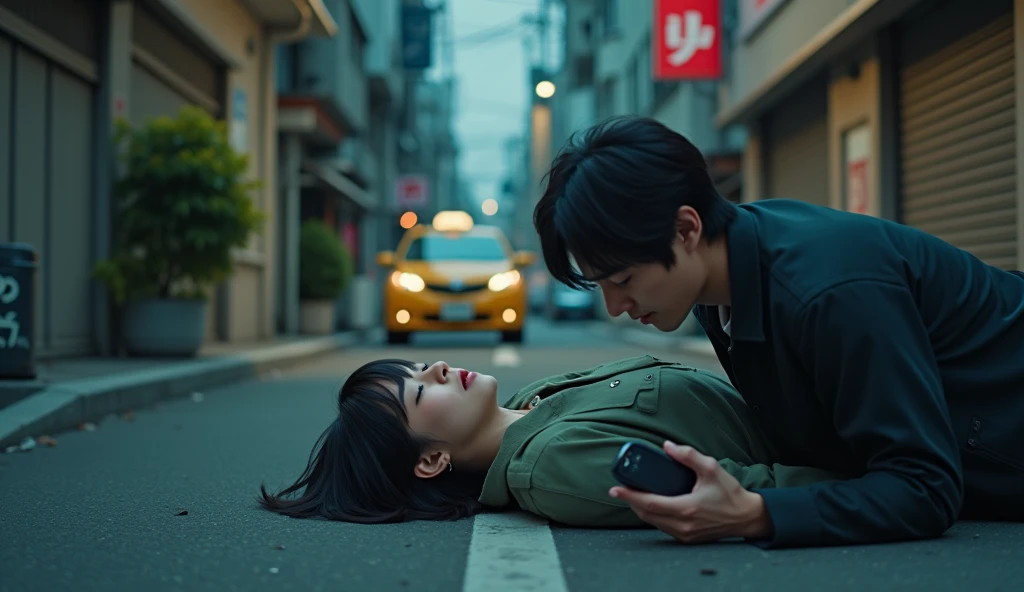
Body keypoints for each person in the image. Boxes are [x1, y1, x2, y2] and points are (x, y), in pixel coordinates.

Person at [532, 115, 1024, 549]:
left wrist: (754, 513)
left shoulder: (830, 292)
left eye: (623, 280)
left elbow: (926, 488)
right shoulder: (715, 291)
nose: (615, 307)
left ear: (686, 230)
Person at [258, 356, 852, 528]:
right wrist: (883, 490)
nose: (437, 367)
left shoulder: (537, 397)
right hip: (853, 453)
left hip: (837, 408)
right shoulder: (549, 465)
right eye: (418, 392)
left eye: (417, 367)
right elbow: (731, 494)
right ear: (433, 460)